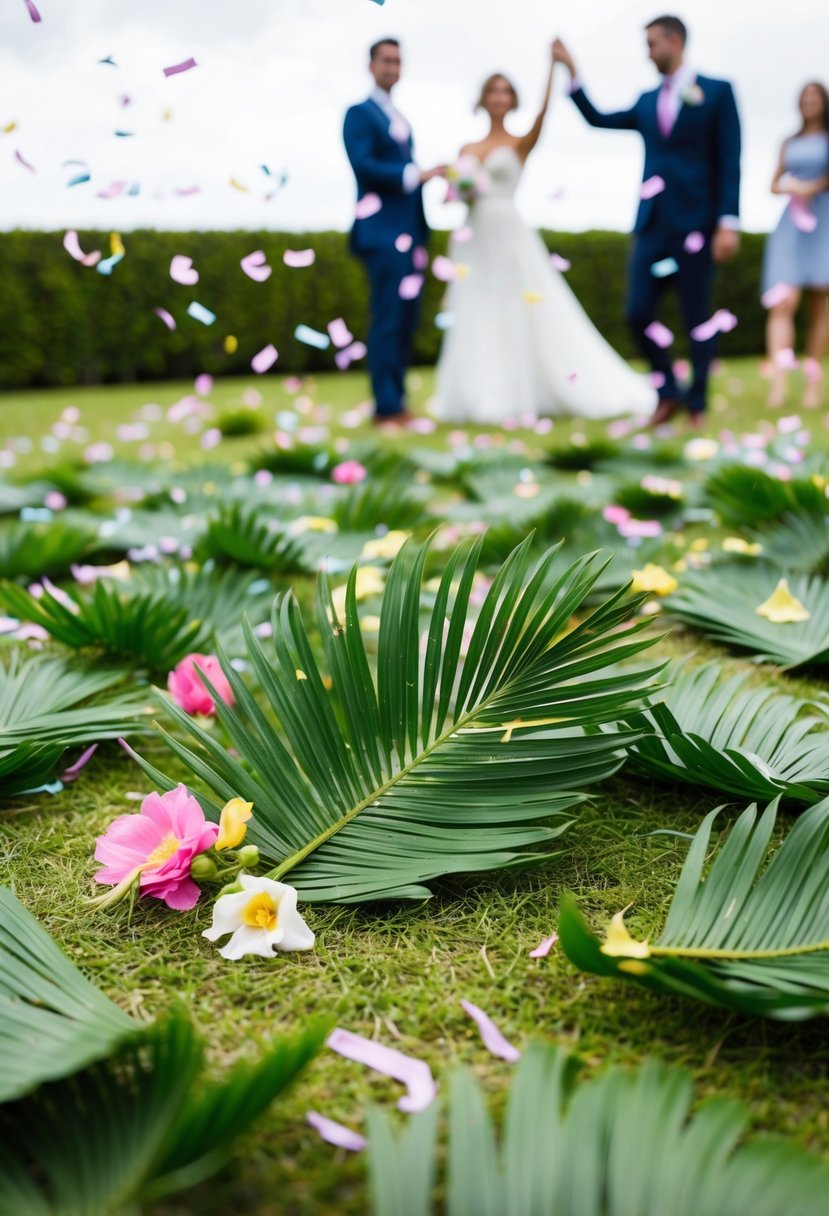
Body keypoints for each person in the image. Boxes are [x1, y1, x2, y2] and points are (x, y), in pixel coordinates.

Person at [432, 47, 656, 425]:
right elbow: (450, 197)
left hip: (507, 234)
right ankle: (479, 395)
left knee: (516, 309)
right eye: (493, 91)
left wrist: (554, 70)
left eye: (505, 91)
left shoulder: (519, 143)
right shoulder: (466, 149)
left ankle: (519, 394)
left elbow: (542, 115)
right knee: (476, 311)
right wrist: (453, 185)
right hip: (473, 238)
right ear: (483, 99)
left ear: (512, 99)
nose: (499, 97)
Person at [554, 15, 741, 426]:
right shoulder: (646, 101)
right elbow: (597, 118)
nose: (648, 53)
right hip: (653, 223)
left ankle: (697, 404)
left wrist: (729, 221)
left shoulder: (717, 93)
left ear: (675, 41)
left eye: (653, 44)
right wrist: (572, 71)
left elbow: (730, 159)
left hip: (697, 222)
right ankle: (668, 392)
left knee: (697, 317)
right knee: (636, 312)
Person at [343, 38, 445, 427]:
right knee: (387, 320)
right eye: (386, 60)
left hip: (410, 236)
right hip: (381, 235)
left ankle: (397, 401)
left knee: (406, 320)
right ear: (371, 66)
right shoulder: (359, 114)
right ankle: (386, 407)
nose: (392, 67)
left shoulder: (399, 116)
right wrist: (415, 174)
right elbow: (364, 166)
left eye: (397, 61)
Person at [763, 81, 829, 409]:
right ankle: (779, 382)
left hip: (824, 222)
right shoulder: (788, 141)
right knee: (782, 303)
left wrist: (814, 186)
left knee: (820, 305)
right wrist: (790, 186)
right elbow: (773, 183)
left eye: (814, 97)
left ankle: (812, 385)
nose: (809, 102)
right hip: (792, 224)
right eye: (804, 98)